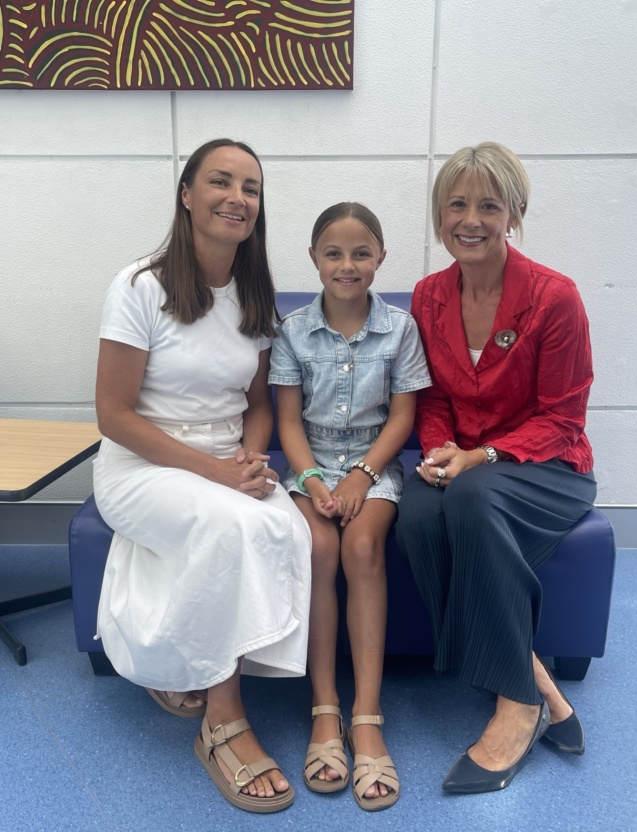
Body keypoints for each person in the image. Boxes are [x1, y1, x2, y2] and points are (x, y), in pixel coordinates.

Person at [93, 138, 312, 814]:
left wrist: (249, 456)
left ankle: (183, 665)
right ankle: (222, 721)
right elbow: (113, 415)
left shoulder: (254, 294)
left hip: (222, 462)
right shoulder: (140, 286)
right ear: (187, 195)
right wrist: (218, 474)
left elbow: (255, 408)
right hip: (141, 464)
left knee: (288, 527)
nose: (237, 197)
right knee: (232, 528)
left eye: (250, 187)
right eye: (220, 181)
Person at [395, 142, 597, 794]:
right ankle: (534, 672)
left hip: (549, 468)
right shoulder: (427, 297)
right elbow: (432, 400)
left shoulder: (554, 297)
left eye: (489, 203)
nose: (471, 218)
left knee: (475, 499)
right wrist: (436, 453)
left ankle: (519, 704)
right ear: (439, 214)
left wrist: (478, 456)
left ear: (513, 212)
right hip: (463, 467)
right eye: (457, 203)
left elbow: (563, 417)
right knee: (419, 513)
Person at [269, 203, 431, 810]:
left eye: (361, 253)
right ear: (314, 259)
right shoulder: (291, 330)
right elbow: (288, 420)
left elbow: (404, 415)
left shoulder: (401, 328)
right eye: (333, 253)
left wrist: (363, 475)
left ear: (380, 259)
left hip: (374, 464)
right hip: (310, 468)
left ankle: (366, 716)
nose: (347, 265)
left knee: (362, 546)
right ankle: (324, 709)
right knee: (319, 545)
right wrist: (312, 480)